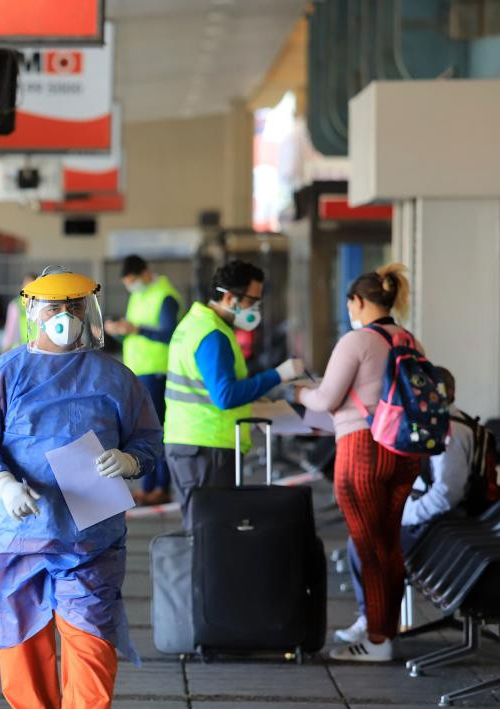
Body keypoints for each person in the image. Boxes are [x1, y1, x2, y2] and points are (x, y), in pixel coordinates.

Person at [0, 267, 164, 709]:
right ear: (32, 313)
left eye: (73, 307)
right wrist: (3, 484)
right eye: (53, 308)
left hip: (89, 528)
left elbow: (148, 438)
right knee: (22, 630)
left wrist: (132, 461)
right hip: (19, 528)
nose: (64, 318)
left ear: (87, 311)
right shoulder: (4, 373)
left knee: (89, 621)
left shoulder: (116, 376)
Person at [297, 264, 422, 662]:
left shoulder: (357, 342)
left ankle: (378, 639)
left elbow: (326, 399)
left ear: (357, 301)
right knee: (389, 542)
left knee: (369, 545)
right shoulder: (409, 339)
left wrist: (301, 392)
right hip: (403, 451)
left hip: (363, 450)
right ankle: (385, 630)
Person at [334, 366, 473, 645]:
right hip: (431, 516)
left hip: (441, 525)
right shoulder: (440, 425)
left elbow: (446, 494)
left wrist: (401, 515)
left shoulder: (450, 433)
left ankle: (374, 623)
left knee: (365, 542)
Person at [164, 260, 305, 528]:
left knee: (202, 532)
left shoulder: (194, 324)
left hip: (191, 444)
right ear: (230, 297)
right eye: (253, 301)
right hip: (207, 447)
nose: (256, 309)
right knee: (211, 534)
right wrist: (278, 375)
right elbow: (225, 395)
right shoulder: (212, 335)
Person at [105, 255, 182, 506]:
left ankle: (162, 486)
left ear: (147, 272)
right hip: (138, 372)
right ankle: (148, 487)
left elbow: (169, 334)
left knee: (157, 430)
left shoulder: (165, 296)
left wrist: (136, 329)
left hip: (158, 371)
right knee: (143, 431)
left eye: (134, 280)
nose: (132, 286)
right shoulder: (139, 295)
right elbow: (135, 331)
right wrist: (119, 330)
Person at [1, 273, 37, 353]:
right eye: (26, 285)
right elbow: (10, 330)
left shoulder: (41, 305)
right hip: (18, 350)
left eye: (32, 285)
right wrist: (5, 349)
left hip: (36, 349)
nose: (28, 288)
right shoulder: (15, 305)